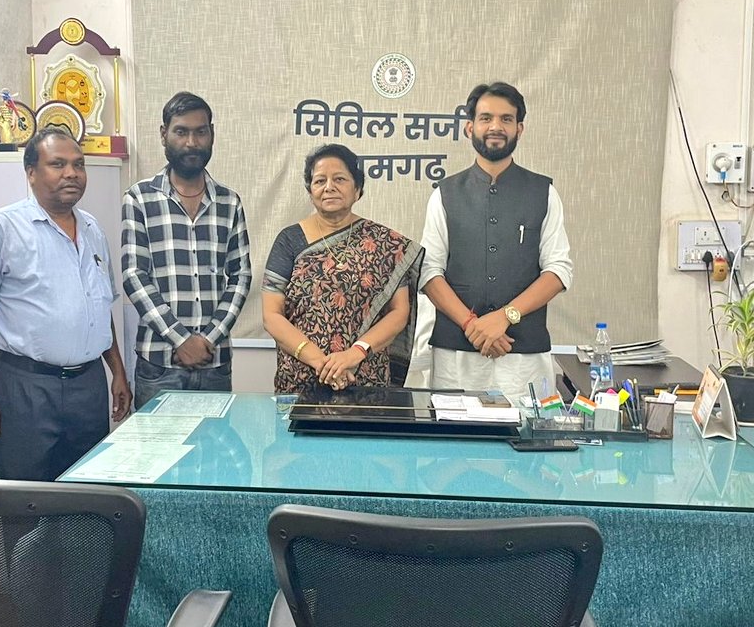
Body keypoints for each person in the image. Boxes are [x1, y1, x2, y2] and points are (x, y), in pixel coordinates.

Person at [0, 128, 131, 482]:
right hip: (26, 388)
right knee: (25, 499)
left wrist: (117, 371)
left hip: (88, 386)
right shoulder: (0, 228)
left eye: (78, 165)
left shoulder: (93, 229)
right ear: (31, 173)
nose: (72, 173)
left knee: (88, 494)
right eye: (58, 164)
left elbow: (100, 308)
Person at [419, 81, 572, 402]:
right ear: (470, 127)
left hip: (523, 357)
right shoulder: (444, 194)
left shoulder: (543, 192)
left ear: (519, 129)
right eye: (486, 118)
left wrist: (504, 317)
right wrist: (472, 325)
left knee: (527, 433)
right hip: (456, 356)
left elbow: (558, 271)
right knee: (454, 434)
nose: (495, 127)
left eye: (506, 119)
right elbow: (429, 272)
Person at [122, 92, 252, 409]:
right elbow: (134, 275)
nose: (192, 142)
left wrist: (207, 338)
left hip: (214, 362)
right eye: (181, 131)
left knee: (214, 442)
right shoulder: (140, 197)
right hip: (159, 365)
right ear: (164, 134)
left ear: (212, 134)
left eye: (200, 132)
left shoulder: (229, 202)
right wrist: (180, 339)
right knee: (158, 444)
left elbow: (241, 276)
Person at [262, 144, 424, 394]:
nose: (329, 187)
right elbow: (271, 315)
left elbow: (399, 312)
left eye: (339, 179)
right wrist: (322, 363)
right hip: (300, 377)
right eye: (320, 181)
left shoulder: (385, 244)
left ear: (357, 189)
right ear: (310, 191)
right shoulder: (289, 240)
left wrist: (354, 354)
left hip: (364, 377)